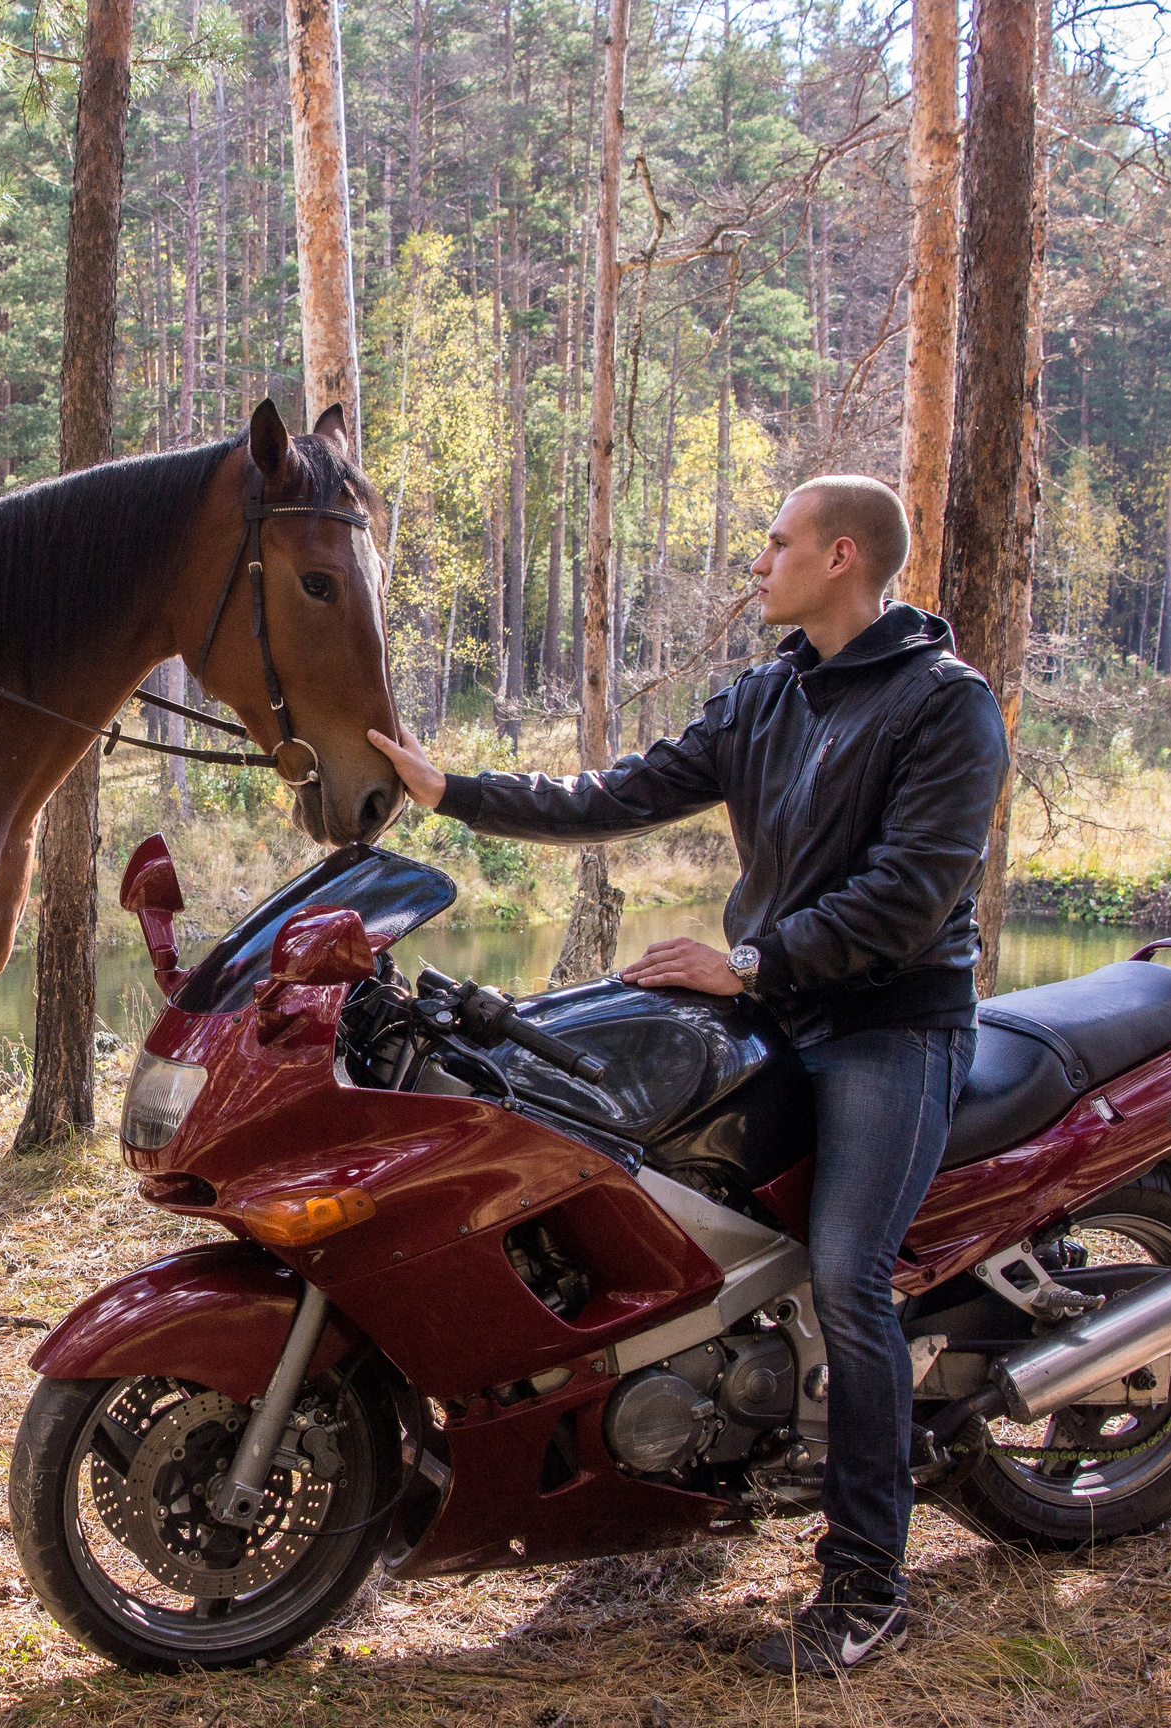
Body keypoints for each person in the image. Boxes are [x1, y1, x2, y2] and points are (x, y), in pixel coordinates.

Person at [368, 476, 1009, 1677]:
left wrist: (750, 960)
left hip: (889, 1024)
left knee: (848, 1276)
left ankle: (869, 1581)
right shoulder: (772, 693)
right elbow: (618, 792)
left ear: (838, 555)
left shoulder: (945, 704)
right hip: (771, 1011)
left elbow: (911, 896)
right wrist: (450, 792)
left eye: (773, 543)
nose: (754, 562)